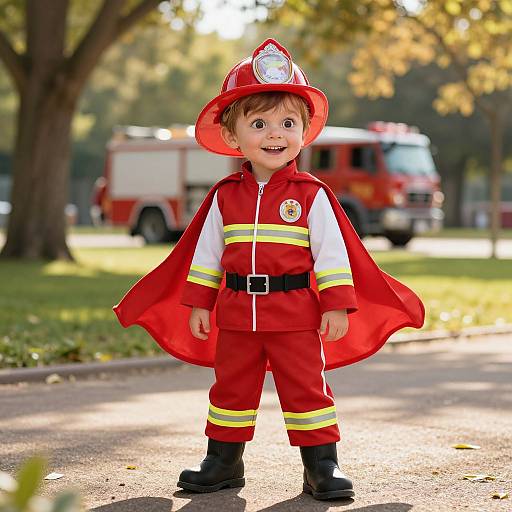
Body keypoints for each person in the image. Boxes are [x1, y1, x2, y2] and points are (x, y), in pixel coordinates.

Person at [113, 38, 425, 501]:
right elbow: (206, 254)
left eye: (287, 122)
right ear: (233, 136)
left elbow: (334, 256)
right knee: (230, 388)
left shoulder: (312, 195)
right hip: (237, 313)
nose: (274, 133)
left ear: (304, 132)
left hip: (296, 314)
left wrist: (337, 306)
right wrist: (199, 302)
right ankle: (222, 462)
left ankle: (322, 465)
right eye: (258, 123)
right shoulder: (224, 196)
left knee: (306, 389)